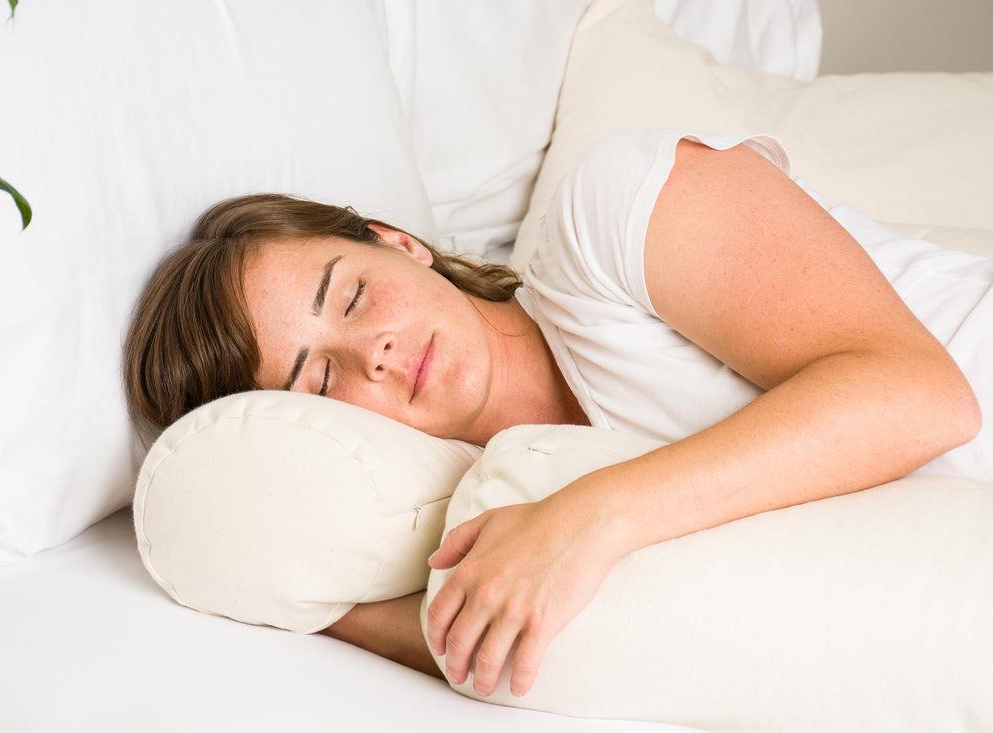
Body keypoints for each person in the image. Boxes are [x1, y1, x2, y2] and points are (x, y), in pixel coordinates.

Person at [124, 129, 990, 697]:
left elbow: (923, 395)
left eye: (351, 296)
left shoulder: (602, 220)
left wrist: (595, 514)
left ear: (397, 240)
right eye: (317, 382)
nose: (375, 353)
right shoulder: (482, 512)